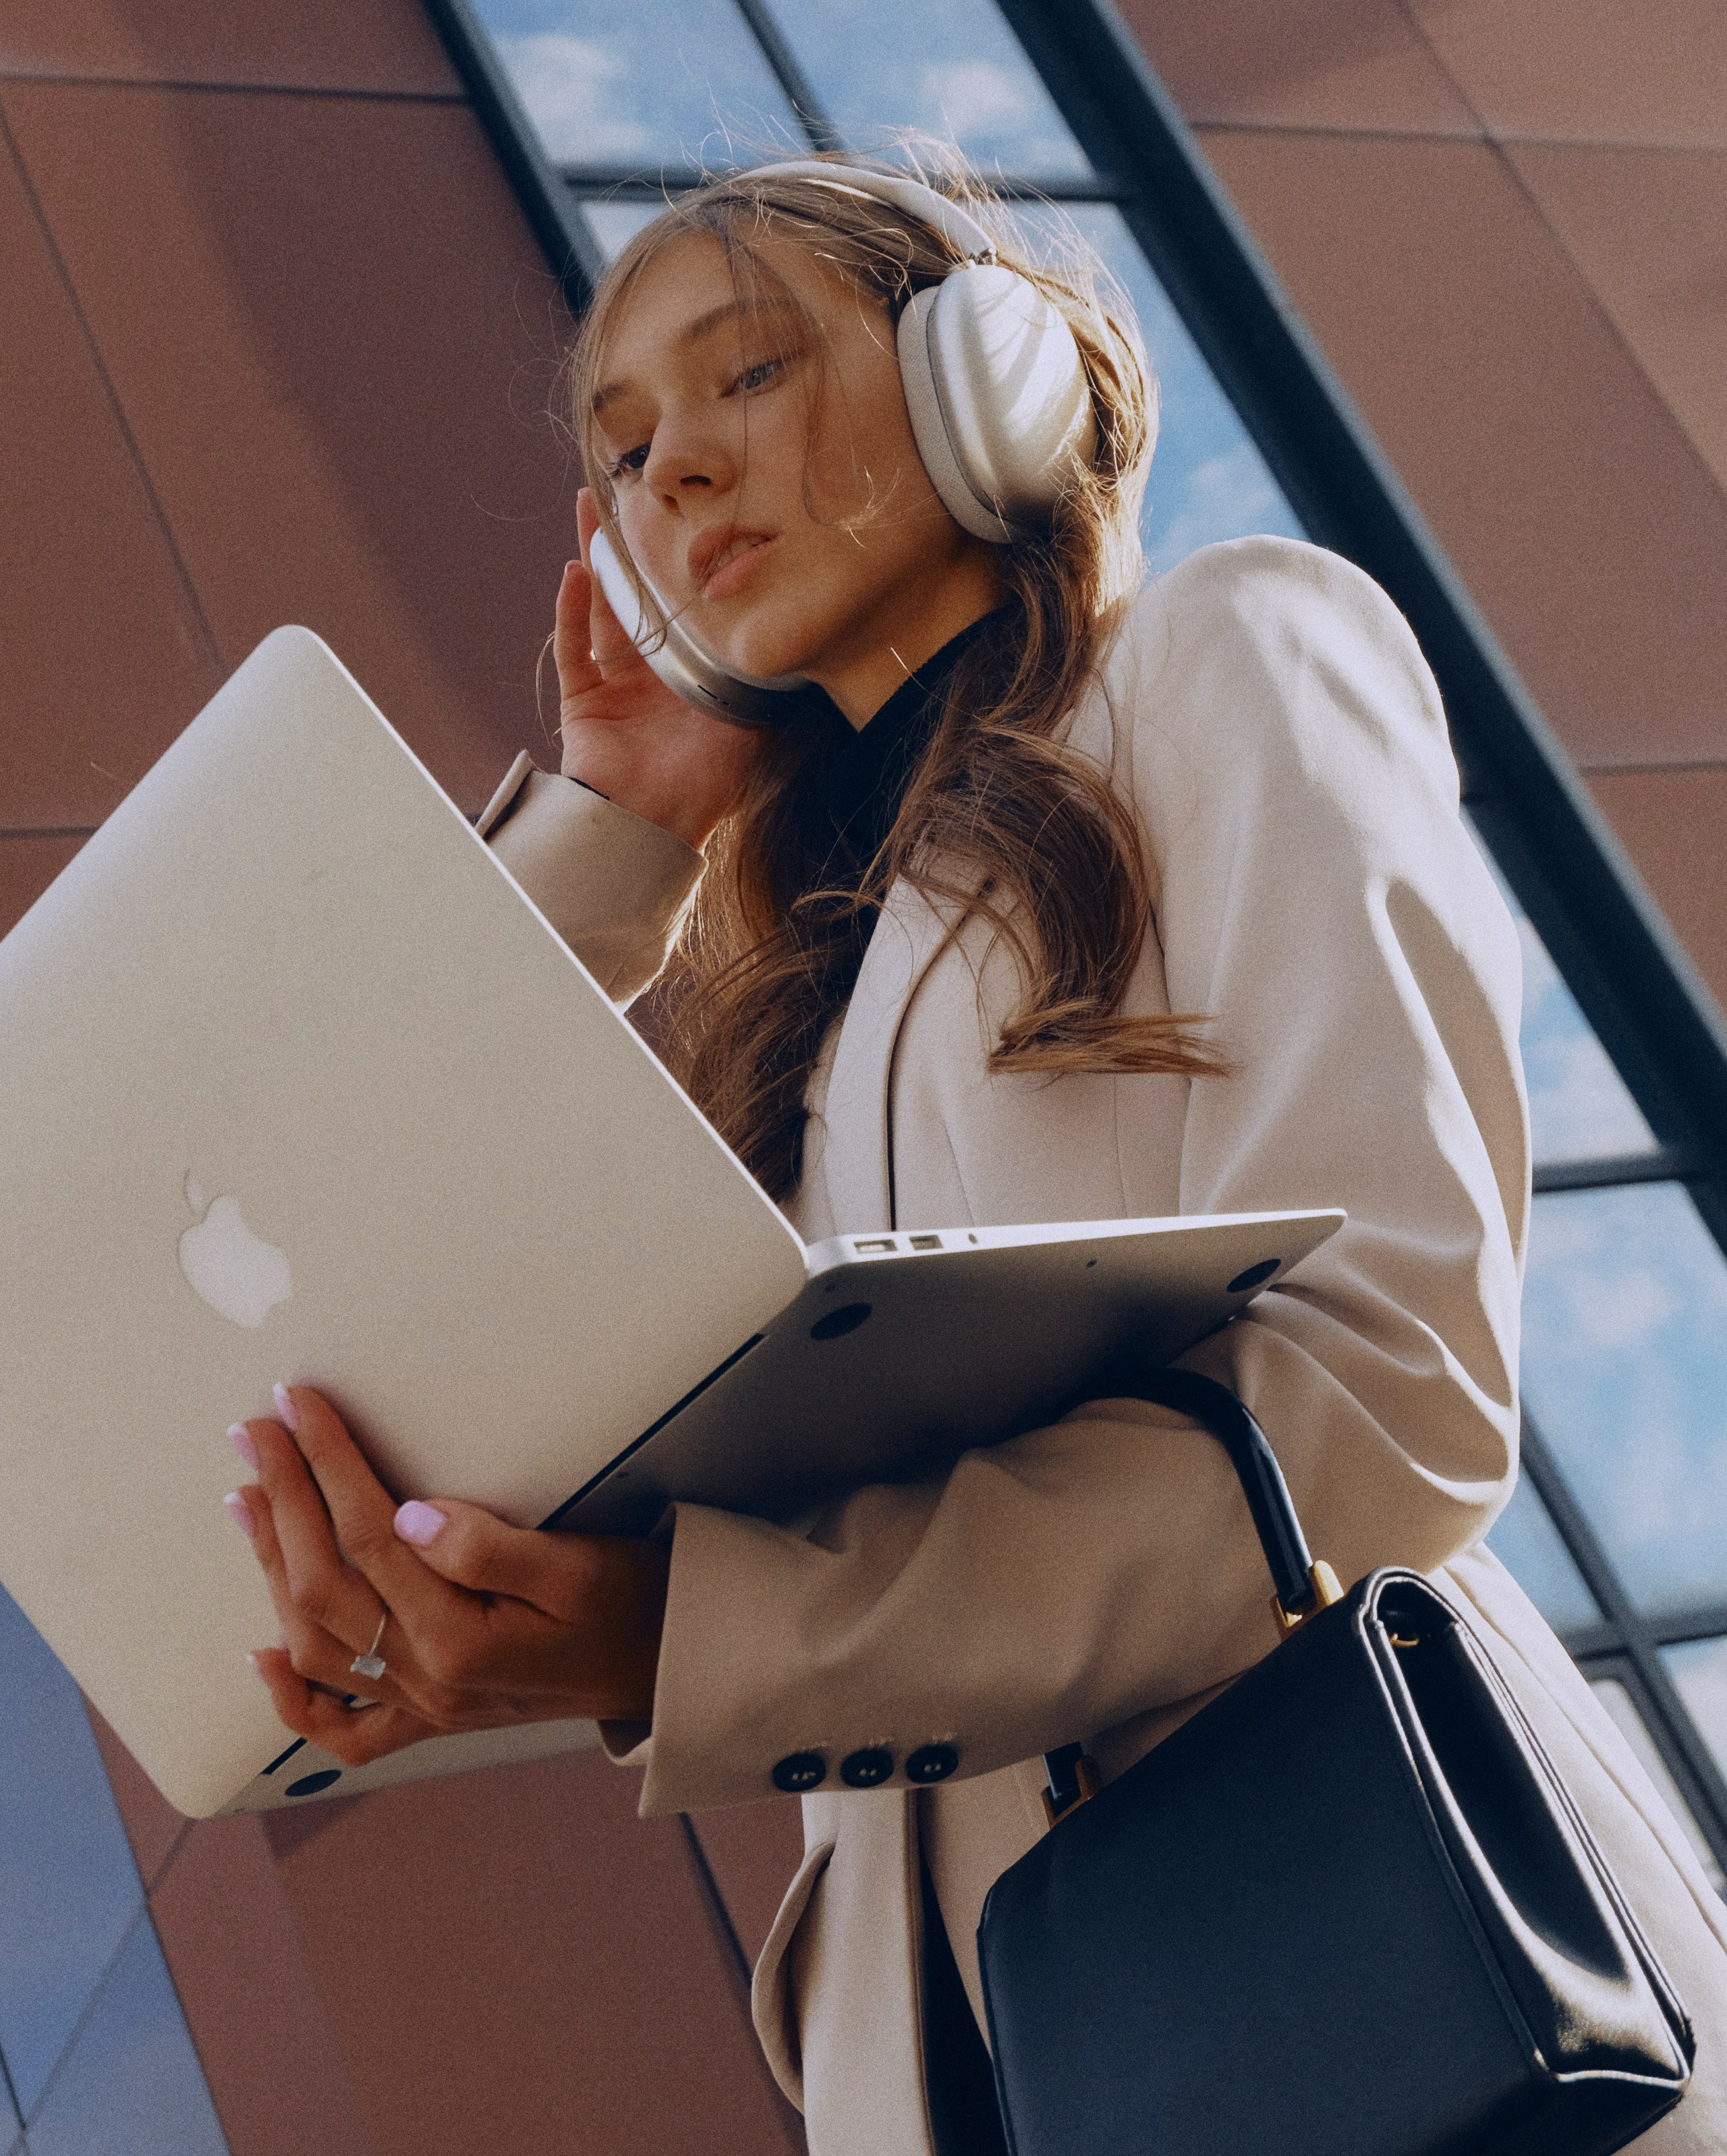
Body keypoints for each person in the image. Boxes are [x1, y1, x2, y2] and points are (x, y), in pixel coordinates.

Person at [223, 154, 1727, 2156]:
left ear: (989, 377)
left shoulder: (1226, 658)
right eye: (627, 443)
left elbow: (1393, 1398)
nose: (672, 474)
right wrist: (614, 833)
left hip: (1392, 2007)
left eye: (744, 371)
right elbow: (362, 1255)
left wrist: (695, 1635)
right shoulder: (817, 1021)